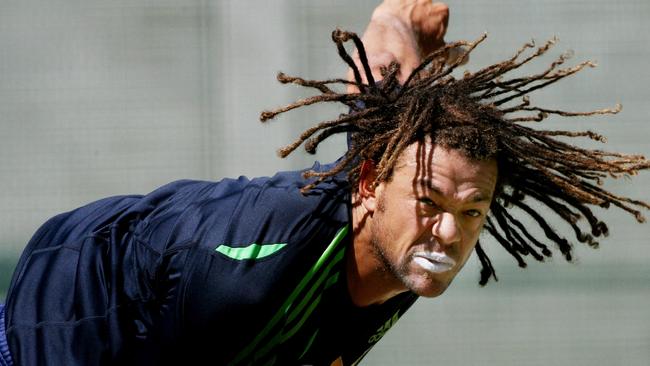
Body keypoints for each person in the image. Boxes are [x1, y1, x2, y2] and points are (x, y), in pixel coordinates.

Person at [2, 1, 648, 365]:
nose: (449, 231)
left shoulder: (402, 252)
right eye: (430, 202)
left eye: (473, 210)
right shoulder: (248, 275)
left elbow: (378, 101)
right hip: (72, 306)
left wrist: (397, 27)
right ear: (370, 183)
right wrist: (390, 17)